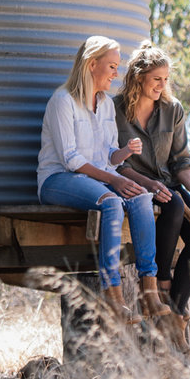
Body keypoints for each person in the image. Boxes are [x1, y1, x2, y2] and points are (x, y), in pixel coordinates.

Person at [36, 35, 171, 327]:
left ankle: (149, 290)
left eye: (117, 66)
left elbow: (108, 154)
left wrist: (124, 152)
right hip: (59, 179)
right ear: (91, 64)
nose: (116, 73)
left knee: (141, 198)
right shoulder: (63, 101)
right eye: (111, 66)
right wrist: (114, 180)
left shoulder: (106, 104)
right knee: (112, 203)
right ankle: (114, 296)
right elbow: (71, 159)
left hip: (95, 177)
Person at [113, 41, 190, 349]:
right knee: (174, 204)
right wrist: (150, 184)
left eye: (166, 79)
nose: (162, 85)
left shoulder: (173, 110)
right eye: (157, 79)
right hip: (135, 183)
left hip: (169, 184)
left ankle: (176, 313)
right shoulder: (115, 110)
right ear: (138, 77)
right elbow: (115, 162)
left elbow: (181, 161)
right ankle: (158, 285)